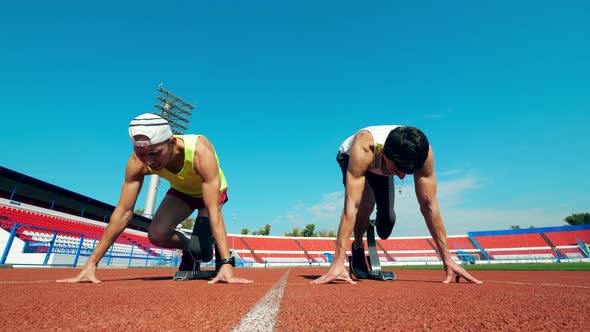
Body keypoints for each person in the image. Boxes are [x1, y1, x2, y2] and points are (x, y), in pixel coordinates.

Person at [58, 113, 252, 284]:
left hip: (211, 192)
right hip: (182, 191)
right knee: (157, 235)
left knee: (203, 249)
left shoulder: (200, 151)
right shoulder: (137, 163)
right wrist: (91, 263)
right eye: (141, 154)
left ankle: (212, 251)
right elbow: (123, 212)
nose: (149, 161)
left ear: (172, 142)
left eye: (155, 153)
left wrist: (227, 263)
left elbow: (213, 210)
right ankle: (190, 249)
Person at [312, 125, 482, 284]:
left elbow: (429, 206)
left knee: (386, 222)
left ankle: (380, 211)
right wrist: (338, 261)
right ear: (384, 153)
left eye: (407, 173)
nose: (401, 178)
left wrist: (448, 260)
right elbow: (351, 206)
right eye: (397, 172)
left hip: (385, 163)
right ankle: (357, 244)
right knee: (366, 203)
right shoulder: (363, 149)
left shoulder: (423, 153)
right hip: (353, 157)